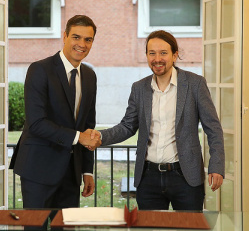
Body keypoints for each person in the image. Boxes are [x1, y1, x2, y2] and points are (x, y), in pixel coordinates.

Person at [91, 30, 224, 211]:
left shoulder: (195, 84)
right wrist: (99, 136)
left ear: (175, 55)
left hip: (185, 176)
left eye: (163, 53)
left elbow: (213, 128)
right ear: (146, 55)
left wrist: (216, 165)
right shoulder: (139, 88)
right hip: (148, 178)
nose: (157, 59)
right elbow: (128, 126)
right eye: (152, 53)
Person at [9, 15, 101, 211]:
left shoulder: (90, 76)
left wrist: (87, 170)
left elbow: (88, 125)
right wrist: (78, 137)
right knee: (36, 228)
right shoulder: (40, 69)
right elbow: (36, 122)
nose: (82, 44)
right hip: (38, 169)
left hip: (71, 173)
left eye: (88, 39)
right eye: (76, 37)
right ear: (65, 36)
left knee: (66, 227)